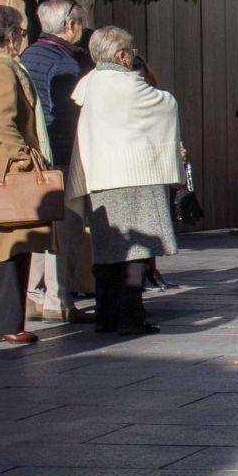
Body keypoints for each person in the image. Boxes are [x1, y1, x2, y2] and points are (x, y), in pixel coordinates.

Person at [67, 26, 183, 335]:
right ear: (121, 55)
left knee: (106, 253)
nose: (133, 56)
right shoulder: (128, 84)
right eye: (131, 50)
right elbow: (166, 104)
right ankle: (131, 316)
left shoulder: (89, 83)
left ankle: (106, 316)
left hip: (100, 177)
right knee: (136, 252)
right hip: (135, 177)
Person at [0, 5, 55, 346]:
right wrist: (25, 156)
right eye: (19, 30)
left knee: (9, 248)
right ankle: (4, 322)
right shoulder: (1, 72)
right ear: (8, 35)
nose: (21, 37)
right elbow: (4, 123)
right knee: (9, 248)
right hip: (7, 169)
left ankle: (1, 321)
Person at [20, 0, 93, 323]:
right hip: (61, 155)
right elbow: (65, 115)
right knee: (66, 228)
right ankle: (58, 299)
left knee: (41, 227)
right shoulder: (65, 63)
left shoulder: (29, 55)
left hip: (34, 155)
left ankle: (33, 296)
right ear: (70, 25)